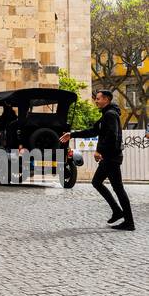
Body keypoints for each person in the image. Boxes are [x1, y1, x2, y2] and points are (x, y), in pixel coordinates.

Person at [60, 89, 134, 231]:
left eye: (98, 98)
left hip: (111, 157)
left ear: (106, 99)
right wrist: (72, 135)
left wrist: (101, 151)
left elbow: (113, 137)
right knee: (103, 184)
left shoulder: (110, 115)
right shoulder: (106, 115)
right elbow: (93, 131)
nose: (96, 101)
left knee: (113, 187)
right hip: (111, 157)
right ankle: (119, 213)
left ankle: (127, 220)